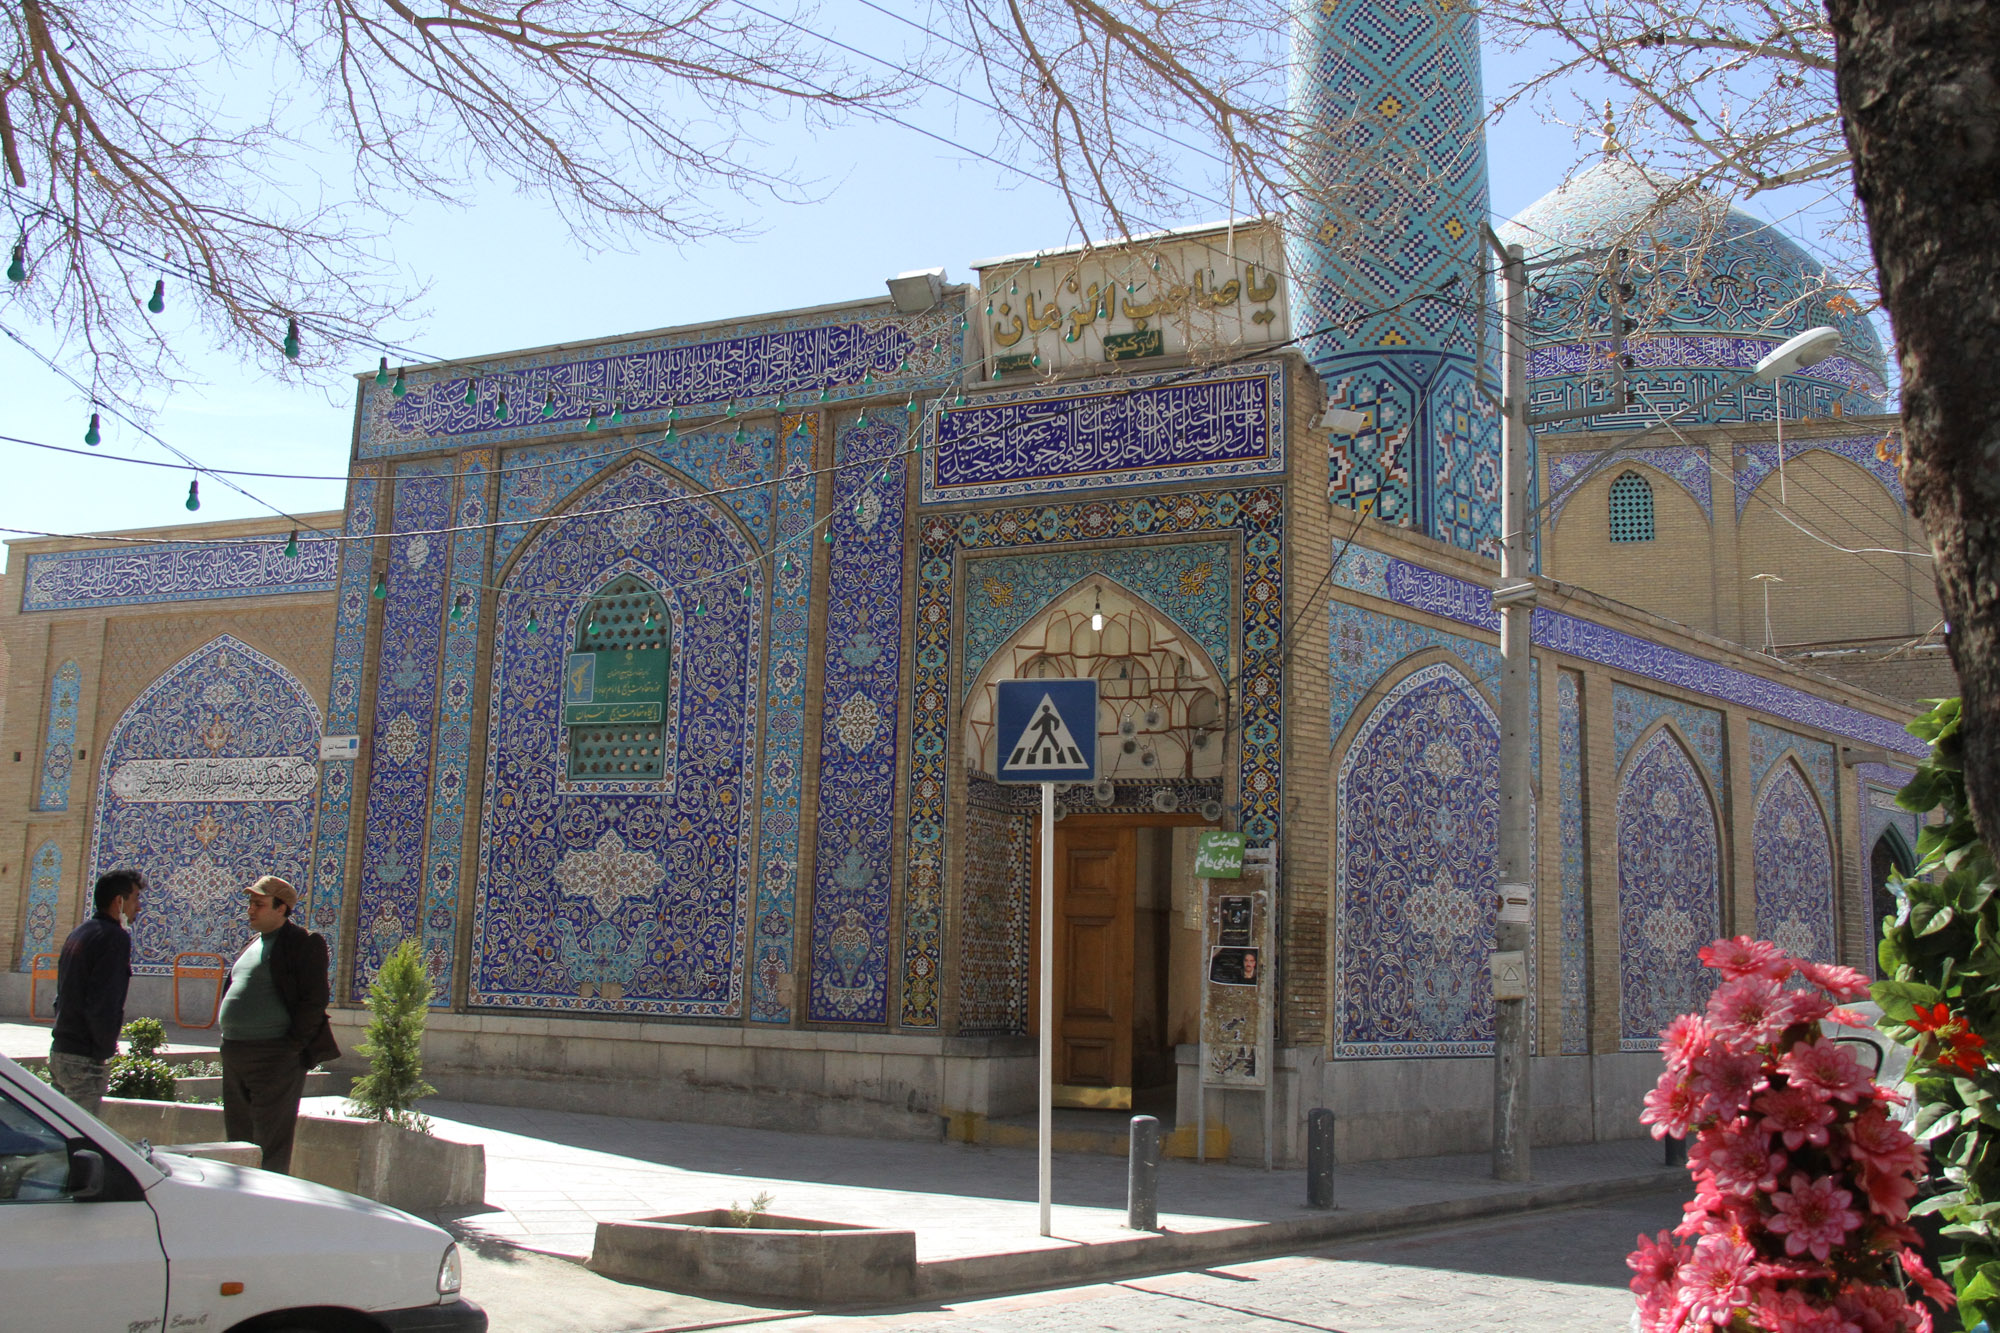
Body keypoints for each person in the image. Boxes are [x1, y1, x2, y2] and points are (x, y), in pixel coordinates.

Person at [218, 876, 337, 1174]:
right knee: (239, 1138)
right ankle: (242, 1202)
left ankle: (268, 1202)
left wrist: (291, 1047)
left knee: (270, 1141)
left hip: (273, 1055)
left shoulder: (303, 943)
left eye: (258, 904)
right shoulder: (252, 944)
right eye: (250, 903)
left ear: (282, 908)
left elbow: (314, 999)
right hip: (236, 1053)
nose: (250, 910)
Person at [48, 870, 145, 1114]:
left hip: (62, 1049)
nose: (139, 907)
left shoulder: (80, 933)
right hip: (84, 1056)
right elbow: (103, 1002)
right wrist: (103, 1050)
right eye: (135, 899)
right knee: (80, 1139)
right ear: (119, 901)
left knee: (59, 1132)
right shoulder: (113, 938)